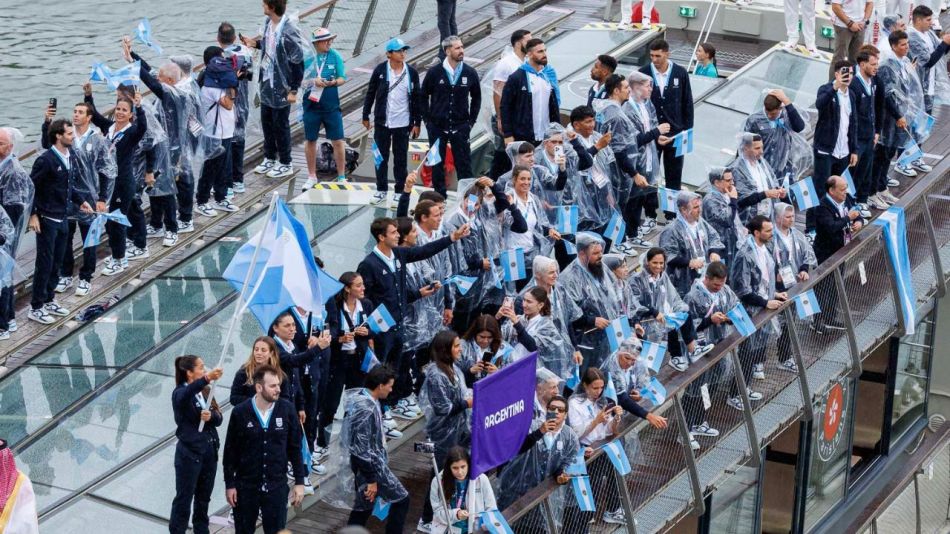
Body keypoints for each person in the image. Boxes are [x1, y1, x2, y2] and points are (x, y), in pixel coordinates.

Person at [358, 217, 470, 413]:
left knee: (394, 368)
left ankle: (392, 405)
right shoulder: (368, 264)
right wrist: (370, 331)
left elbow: (423, 251)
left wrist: (452, 237)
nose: (398, 235)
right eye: (393, 233)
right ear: (381, 237)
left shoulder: (398, 254)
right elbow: (364, 300)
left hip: (399, 325)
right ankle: (378, 410)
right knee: (379, 371)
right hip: (381, 329)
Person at [41, 101, 115, 296]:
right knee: (65, 238)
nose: (76, 115)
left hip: (88, 198)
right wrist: (47, 122)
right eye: (74, 111)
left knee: (89, 238)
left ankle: (86, 277)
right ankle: (66, 275)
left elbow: (106, 170)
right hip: (68, 196)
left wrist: (102, 197)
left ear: (89, 117)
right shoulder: (68, 136)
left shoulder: (97, 139)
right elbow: (47, 145)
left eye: (80, 112)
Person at [223, 365, 306, 534]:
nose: (278, 389)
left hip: (276, 486)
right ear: (259, 387)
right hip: (246, 487)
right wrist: (230, 484)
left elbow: (295, 448)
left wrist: (299, 481)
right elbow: (230, 451)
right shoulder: (240, 412)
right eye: (273, 386)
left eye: (279, 385)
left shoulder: (287, 409)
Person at [29, 119, 94, 324]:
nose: (72, 136)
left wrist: (81, 201)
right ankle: (36, 306)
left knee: (57, 261)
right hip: (47, 218)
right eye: (68, 134)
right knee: (45, 263)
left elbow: (69, 185)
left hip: (63, 216)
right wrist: (33, 215)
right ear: (58, 135)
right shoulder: (45, 160)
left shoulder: (69, 156)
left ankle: (49, 299)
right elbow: (31, 189)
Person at [443, 178, 526, 332]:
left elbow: (502, 204)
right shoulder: (453, 221)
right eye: (470, 203)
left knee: (479, 317)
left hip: (484, 275)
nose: (472, 208)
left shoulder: (481, 214)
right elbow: (457, 255)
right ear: (463, 199)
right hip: (465, 279)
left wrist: (494, 186)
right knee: (462, 319)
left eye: (476, 205)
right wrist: (479, 263)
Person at [86, 92, 149, 277]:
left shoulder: (130, 132)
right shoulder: (110, 127)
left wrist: (139, 107)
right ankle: (117, 254)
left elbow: (142, 128)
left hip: (123, 183)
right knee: (109, 221)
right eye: (118, 109)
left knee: (117, 221)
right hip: (107, 184)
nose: (120, 113)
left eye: (124, 110)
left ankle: (119, 259)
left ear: (130, 114)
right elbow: (95, 117)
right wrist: (88, 95)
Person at [728, 215, 788, 409]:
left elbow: (765, 278)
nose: (771, 233)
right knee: (746, 353)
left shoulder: (765, 248)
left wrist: (774, 294)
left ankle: (745, 387)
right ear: (756, 232)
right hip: (748, 312)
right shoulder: (745, 255)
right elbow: (741, 289)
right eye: (768, 230)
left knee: (755, 353)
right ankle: (734, 393)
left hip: (761, 308)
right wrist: (765, 301)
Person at [242, 0, 305, 179]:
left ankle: (285, 162)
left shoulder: (289, 31)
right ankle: (269, 157)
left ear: (272, 7)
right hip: (267, 81)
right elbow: (269, 46)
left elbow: (297, 61)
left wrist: (294, 89)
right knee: (267, 121)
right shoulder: (269, 24)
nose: (262, 7)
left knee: (281, 125)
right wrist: (255, 44)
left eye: (264, 5)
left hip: (282, 85)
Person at [343, 365, 410, 533]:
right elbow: (361, 449)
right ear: (380, 385)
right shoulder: (366, 408)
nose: (391, 389)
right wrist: (371, 479)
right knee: (401, 499)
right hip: (371, 466)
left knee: (364, 505)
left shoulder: (364, 399)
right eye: (390, 385)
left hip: (366, 465)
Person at [418, 331, 472, 532]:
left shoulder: (453, 368)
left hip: (458, 431)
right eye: (456, 346)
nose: (460, 349)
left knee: (453, 473)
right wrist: (466, 402)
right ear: (445, 349)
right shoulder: (436, 374)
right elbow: (443, 408)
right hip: (442, 436)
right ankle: (427, 517)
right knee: (440, 477)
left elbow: (462, 392)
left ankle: (449, 512)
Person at [630, 247, 711, 371]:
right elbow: (634, 304)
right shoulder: (636, 279)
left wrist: (681, 308)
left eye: (661, 263)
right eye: (654, 263)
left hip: (663, 317)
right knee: (647, 365)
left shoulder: (662, 276)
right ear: (647, 261)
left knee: (681, 313)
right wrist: (654, 312)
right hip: (645, 321)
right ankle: (683, 353)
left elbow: (673, 296)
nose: (658, 266)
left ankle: (688, 351)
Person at [682, 262, 736, 445]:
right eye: (715, 285)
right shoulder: (692, 296)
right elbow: (689, 325)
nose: (718, 288)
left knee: (710, 385)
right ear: (706, 278)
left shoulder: (725, 291)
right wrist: (709, 320)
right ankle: (685, 430)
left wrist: (729, 318)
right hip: (698, 348)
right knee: (694, 388)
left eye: (721, 284)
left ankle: (700, 420)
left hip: (719, 344)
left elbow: (735, 308)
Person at [362, 38, 421, 205]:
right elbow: (370, 93)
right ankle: (381, 189)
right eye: (398, 51)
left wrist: (417, 122)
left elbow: (417, 99)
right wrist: (365, 115)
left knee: (400, 159)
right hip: (382, 122)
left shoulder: (411, 73)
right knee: (380, 157)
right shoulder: (380, 70)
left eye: (404, 50)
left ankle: (399, 189)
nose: (402, 54)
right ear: (389, 54)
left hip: (403, 123)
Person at [618, 71, 672, 252]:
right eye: (648, 86)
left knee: (640, 198)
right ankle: (625, 237)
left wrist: (659, 139)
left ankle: (633, 234)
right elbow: (634, 141)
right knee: (631, 201)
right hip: (634, 162)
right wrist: (656, 132)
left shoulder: (647, 105)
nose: (651, 89)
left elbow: (649, 134)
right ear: (636, 87)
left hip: (649, 158)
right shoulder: (627, 110)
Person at [422, 36, 481, 197]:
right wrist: (427, 121)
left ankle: (467, 197)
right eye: (457, 48)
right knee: (436, 163)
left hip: (461, 126)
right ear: (447, 51)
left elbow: (476, 97)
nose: (461, 51)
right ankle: (439, 197)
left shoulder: (469, 72)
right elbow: (422, 95)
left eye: (462, 47)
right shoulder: (435, 72)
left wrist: (471, 121)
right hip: (437, 126)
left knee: (464, 164)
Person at [495, 395, 578, 511]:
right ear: (546, 409)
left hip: (544, 493)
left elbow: (568, 460)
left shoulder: (569, 436)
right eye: (552, 408)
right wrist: (540, 432)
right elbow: (515, 449)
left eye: (560, 410)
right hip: (517, 488)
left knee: (538, 527)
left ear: (566, 414)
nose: (556, 412)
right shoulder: (532, 426)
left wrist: (560, 475)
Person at [638, 39, 692, 218]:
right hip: (652, 134)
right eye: (652, 55)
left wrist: (686, 132)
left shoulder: (680, 73)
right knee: (650, 175)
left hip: (675, 136)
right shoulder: (643, 73)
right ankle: (650, 214)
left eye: (658, 56)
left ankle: (671, 214)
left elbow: (687, 103)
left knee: (674, 177)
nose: (654, 59)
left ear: (667, 54)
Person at [170, 356, 224, 534]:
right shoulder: (180, 393)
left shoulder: (206, 391)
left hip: (209, 451)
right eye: (201, 368)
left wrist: (211, 416)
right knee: (184, 499)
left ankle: (202, 530)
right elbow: (185, 395)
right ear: (189, 373)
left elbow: (218, 417)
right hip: (190, 455)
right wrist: (206, 378)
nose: (204, 370)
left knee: (203, 498)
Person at [566, 367, 626, 528]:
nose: (599, 392)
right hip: (585, 451)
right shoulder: (574, 404)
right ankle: (583, 520)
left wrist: (617, 419)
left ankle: (609, 510)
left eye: (601, 388)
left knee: (610, 475)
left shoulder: (603, 402)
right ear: (585, 385)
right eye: (595, 388)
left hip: (602, 447)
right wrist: (596, 421)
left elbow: (609, 431)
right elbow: (576, 433)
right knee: (588, 487)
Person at [559, 232, 626, 370]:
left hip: (607, 331)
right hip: (585, 337)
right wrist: (592, 320)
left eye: (601, 252)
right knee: (588, 375)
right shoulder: (569, 278)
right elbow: (569, 314)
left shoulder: (600, 266)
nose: (600, 256)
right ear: (582, 254)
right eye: (595, 253)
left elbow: (613, 292)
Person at [873, 31, 927, 184]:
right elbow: (887, 94)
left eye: (907, 44)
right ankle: (876, 187)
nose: (907, 47)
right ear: (893, 46)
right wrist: (898, 115)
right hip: (890, 117)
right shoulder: (887, 66)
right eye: (903, 45)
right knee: (883, 152)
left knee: (890, 151)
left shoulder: (904, 62)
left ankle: (882, 183)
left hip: (901, 113)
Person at [811, 60, 858, 230]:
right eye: (845, 73)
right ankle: (811, 227)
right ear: (837, 74)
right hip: (825, 149)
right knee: (820, 188)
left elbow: (853, 123)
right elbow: (819, 104)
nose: (848, 76)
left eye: (851, 73)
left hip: (843, 151)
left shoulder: (851, 95)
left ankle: (837, 220)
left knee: (840, 189)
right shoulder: (826, 89)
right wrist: (835, 87)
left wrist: (854, 149)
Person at [813, 176, 864, 332]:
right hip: (826, 253)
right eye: (842, 189)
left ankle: (830, 317)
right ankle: (817, 321)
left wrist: (858, 222)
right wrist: (848, 218)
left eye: (846, 188)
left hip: (841, 250)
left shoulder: (846, 199)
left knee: (836, 285)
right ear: (831, 190)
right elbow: (831, 227)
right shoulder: (822, 206)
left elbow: (857, 213)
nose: (845, 192)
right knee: (823, 287)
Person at [195, 46, 240, 218]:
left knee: (223, 167)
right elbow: (228, 104)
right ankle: (202, 201)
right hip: (213, 133)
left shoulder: (219, 81)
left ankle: (221, 198)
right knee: (210, 168)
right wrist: (234, 82)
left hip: (226, 131)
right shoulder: (210, 85)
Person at [302, 28, 348, 188]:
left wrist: (334, 82)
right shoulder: (307, 57)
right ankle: (312, 176)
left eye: (330, 40)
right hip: (311, 105)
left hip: (331, 104)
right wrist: (313, 81)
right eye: (325, 40)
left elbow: (343, 77)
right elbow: (300, 81)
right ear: (316, 43)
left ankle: (342, 176)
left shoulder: (335, 56)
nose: (329, 43)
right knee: (310, 140)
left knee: (338, 140)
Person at [658, 191, 725, 297]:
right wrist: (689, 262)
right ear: (683, 210)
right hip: (682, 281)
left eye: (699, 206)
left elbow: (714, 237)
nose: (700, 210)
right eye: (695, 207)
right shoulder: (671, 230)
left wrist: (714, 252)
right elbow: (667, 256)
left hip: (703, 275)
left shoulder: (701, 223)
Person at [0, 128, 33, 337]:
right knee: (5, 276)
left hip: (5, 233)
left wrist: (4, 235)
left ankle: (3, 324)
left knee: (2, 277)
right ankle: (9, 317)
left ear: (10, 147)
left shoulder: (13, 171)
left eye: (1, 143)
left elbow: (15, 206)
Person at [489, 29, 532, 179]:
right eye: (528, 40)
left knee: (517, 157)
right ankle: (491, 185)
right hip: (507, 118)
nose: (531, 43)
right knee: (502, 156)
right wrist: (501, 118)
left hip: (520, 118)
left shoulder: (526, 62)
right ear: (519, 42)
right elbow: (497, 92)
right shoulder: (506, 63)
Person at [218, 22, 255, 197]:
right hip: (243, 104)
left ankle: (227, 186)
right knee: (239, 142)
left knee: (225, 145)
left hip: (226, 105)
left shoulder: (219, 58)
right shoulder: (245, 54)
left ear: (218, 39)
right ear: (234, 37)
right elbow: (250, 75)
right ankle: (238, 181)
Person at [500, 38, 559, 146]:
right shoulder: (517, 77)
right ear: (530, 54)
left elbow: (554, 105)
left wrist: (557, 130)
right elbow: (505, 106)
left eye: (545, 50)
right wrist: (508, 134)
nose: (544, 54)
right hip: (523, 136)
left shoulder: (548, 75)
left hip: (547, 136)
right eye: (540, 51)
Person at [599, 338, 668, 428]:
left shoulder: (639, 362)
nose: (629, 362)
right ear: (619, 353)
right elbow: (622, 399)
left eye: (633, 360)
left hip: (623, 406)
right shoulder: (612, 367)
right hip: (604, 408)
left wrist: (639, 392)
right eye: (626, 358)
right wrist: (649, 416)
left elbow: (643, 382)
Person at [742, 89, 808, 182]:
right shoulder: (755, 119)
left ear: (780, 108)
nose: (769, 116)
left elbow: (799, 127)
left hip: (784, 167)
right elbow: (745, 144)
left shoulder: (786, 115)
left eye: (773, 113)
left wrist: (787, 102)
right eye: (767, 112)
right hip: (763, 167)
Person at [428, 447, 498, 534]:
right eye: (455, 468)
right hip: (448, 529)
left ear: (468, 464)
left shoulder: (481, 479)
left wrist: (482, 528)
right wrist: (456, 514)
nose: (460, 472)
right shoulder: (438, 481)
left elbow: (491, 508)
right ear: (449, 467)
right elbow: (438, 513)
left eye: (463, 467)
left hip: (476, 530)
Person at [515, 286, 579, 381]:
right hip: (517, 370)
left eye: (529, 302)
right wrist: (498, 316)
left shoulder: (547, 325)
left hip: (535, 375)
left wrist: (516, 324)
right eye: (524, 300)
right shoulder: (520, 319)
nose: (524, 304)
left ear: (540, 305)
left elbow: (532, 346)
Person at [851, 48, 885, 213]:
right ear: (862, 64)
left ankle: (862, 199)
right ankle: (851, 203)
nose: (876, 67)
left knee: (866, 170)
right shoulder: (854, 84)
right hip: (858, 138)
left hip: (870, 136)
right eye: (873, 64)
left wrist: (877, 131)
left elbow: (876, 108)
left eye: (877, 64)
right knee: (855, 172)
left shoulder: (872, 82)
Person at [731, 133, 786, 226]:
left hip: (766, 216)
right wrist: (766, 194)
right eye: (757, 148)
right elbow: (741, 200)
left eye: (761, 147)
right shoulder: (737, 169)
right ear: (745, 148)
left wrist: (779, 191)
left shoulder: (762, 163)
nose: (761, 151)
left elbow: (772, 182)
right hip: (748, 222)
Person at [907, 6, 950, 115]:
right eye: (928, 20)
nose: (931, 23)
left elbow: (940, 52)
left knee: (926, 124)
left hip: (930, 85)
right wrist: (945, 43)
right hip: (918, 88)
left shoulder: (928, 33)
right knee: (918, 123)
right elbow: (927, 62)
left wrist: (947, 43)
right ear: (918, 20)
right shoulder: (912, 37)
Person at [702, 167, 745, 267]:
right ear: (717, 183)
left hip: (731, 244)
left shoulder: (725, 195)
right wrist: (733, 200)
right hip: (719, 248)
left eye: (732, 179)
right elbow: (727, 219)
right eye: (728, 180)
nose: (732, 183)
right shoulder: (711, 200)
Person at [771, 202, 817, 291]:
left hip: (798, 281)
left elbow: (807, 253)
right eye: (788, 217)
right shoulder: (770, 237)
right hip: (778, 286)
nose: (792, 220)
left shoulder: (797, 234)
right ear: (777, 218)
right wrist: (774, 274)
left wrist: (804, 270)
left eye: (793, 216)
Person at [830, 0, 873, 79]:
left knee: (856, 59)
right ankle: (832, 87)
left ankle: (851, 86)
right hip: (843, 26)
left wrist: (864, 21)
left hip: (860, 26)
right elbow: (835, 6)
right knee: (839, 59)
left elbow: (870, 3)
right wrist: (850, 23)